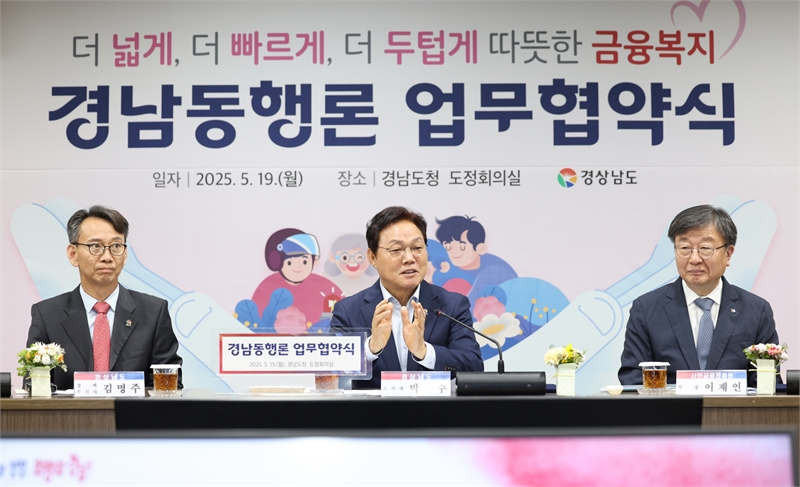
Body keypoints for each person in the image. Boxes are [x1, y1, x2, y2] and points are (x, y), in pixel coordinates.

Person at [618, 205, 779, 387]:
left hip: (733, 406)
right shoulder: (646, 309)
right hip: (668, 406)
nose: (694, 259)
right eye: (684, 248)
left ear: (728, 254)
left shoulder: (756, 311)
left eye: (705, 248)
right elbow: (633, 380)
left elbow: (767, 384)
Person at [25, 205, 182, 390]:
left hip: (132, 410)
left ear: (125, 255)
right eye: (96, 246)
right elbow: (33, 387)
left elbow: (170, 388)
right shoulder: (47, 315)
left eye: (116, 246)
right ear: (73, 254)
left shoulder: (153, 312)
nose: (107, 257)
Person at [330, 206, 484, 388]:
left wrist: (425, 352)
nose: (409, 258)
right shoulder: (348, 311)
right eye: (396, 250)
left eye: (417, 248)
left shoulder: (452, 305)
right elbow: (331, 373)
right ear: (372, 257)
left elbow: (473, 367)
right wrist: (371, 349)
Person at [251, 228, 344, 329]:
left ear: (314, 260)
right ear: (276, 262)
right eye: (289, 262)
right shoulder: (267, 287)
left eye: (304, 261)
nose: (298, 266)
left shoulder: (327, 287)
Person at [434, 215, 517, 305]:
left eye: (462, 247)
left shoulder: (498, 271)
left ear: (480, 248)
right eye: (448, 247)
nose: (453, 252)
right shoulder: (443, 272)